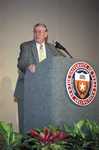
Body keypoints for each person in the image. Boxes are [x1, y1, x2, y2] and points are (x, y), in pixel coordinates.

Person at [14, 23, 59, 135]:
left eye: (40, 31)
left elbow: (57, 65)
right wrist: (28, 66)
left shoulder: (53, 49)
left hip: (46, 92)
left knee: (44, 121)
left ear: (46, 34)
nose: (37, 34)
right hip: (27, 88)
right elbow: (21, 62)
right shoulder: (26, 46)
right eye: (35, 31)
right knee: (26, 122)